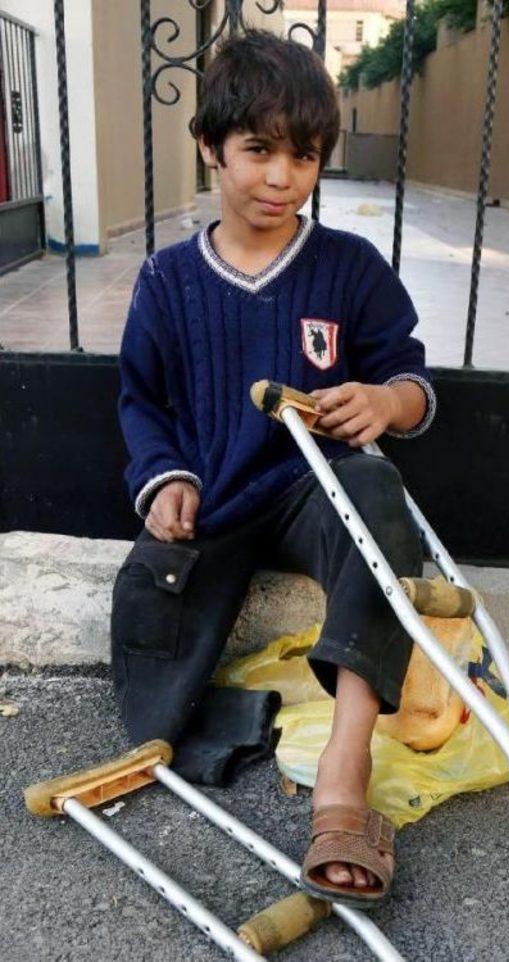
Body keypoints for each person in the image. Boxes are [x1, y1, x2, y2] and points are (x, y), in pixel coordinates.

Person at [111, 29, 436, 908]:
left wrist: (383, 402)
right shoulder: (167, 280)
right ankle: (238, 725)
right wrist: (165, 478)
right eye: (258, 150)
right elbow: (141, 401)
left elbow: (410, 376)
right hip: (214, 495)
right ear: (212, 147)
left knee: (376, 499)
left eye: (305, 156)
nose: (281, 177)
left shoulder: (348, 268)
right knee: (148, 664)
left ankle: (344, 770)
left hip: (311, 486)